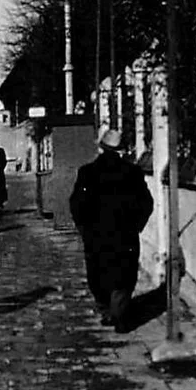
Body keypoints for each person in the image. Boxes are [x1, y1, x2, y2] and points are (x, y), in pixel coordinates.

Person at [69, 129, 154, 332]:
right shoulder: (132, 172)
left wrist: (83, 228)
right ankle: (119, 312)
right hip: (125, 234)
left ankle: (107, 309)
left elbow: (77, 204)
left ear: (101, 147)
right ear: (121, 150)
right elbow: (146, 203)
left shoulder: (87, 172)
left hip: (96, 234)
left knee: (97, 273)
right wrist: (137, 225)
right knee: (124, 274)